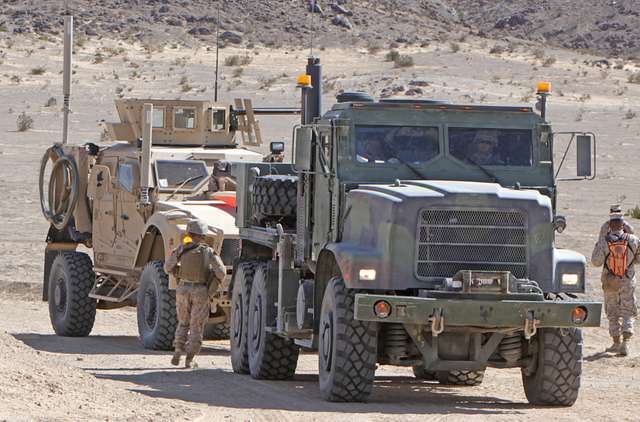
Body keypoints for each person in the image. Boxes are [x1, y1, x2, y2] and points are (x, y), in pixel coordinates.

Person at [164, 219, 226, 368]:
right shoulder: (208, 251)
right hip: (200, 291)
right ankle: (189, 359)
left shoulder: (181, 249)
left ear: (189, 233)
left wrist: (177, 273)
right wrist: (213, 280)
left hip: (182, 289)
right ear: (203, 236)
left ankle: (178, 350)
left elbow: (167, 267)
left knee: (183, 322)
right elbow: (221, 272)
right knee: (196, 325)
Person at [591, 212, 639, 356]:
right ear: (623, 225)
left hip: (610, 281)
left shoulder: (605, 241)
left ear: (609, 225)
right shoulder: (633, 240)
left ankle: (616, 343)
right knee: (628, 311)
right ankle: (626, 342)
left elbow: (596, 262)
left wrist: (600, 239)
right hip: (628, 280)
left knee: (612, 312)